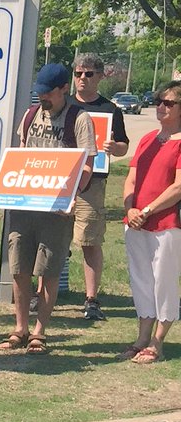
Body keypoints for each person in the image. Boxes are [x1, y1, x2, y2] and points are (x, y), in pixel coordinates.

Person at [1, 64, 96, 355]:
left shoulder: (79, 119)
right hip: (24, 206)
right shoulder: (30, 115)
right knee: (19, 269)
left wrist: (72, 196)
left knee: (49, 270)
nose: (42, 98)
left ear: (63, 89)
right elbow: (19, 155)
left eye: (48, 93)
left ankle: (39, 331)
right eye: (39, 92)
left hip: (57, 210)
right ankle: (20, 328)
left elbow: (88, 165)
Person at [119, 81, 181, 364]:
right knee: (141, 280)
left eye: (169, 103)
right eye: (159, 101)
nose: (161, 107)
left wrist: (148, 209)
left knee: (163, 281)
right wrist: (130, 208)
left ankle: (158, 341)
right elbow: (131, 178)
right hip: (136, 222)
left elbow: (178, 187)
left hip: (167, 222)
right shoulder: (146, 140)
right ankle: (142, 336)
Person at [67, 54, 130, 321]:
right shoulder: (65, 105)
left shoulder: (110, 109)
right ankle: (42, 293)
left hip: (93, 183)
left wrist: (114, 148)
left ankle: (91, 299)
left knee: (89, 240)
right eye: (78, 73)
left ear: (100, 76)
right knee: (52, 238)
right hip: (61, 180)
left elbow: (124, 145)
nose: (82, 78)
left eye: (89, 74)